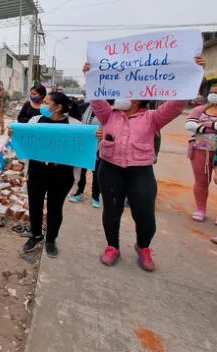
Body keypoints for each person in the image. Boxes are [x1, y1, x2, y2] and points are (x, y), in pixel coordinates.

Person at [83, 56, 206, 272]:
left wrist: (195, 74)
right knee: (111, 212)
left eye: (128, 92)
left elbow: (176, 105)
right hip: (110, 169)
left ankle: (143, 247)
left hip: (140, 173)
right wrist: (89, 75)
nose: (121, 95)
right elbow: (95, 98)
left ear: (140, 98)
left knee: (145, 215)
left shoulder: (153, 118)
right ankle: (112, 246)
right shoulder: (108, 114)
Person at [10, 92, 83, 257]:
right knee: (35, 205)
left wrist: (95, 137)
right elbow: (25, 141)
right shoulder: (35, 121)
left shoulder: (75, 125)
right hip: (37, 170)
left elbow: (81, 148)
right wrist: (14, 135)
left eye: (46, 102)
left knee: (55, 207)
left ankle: (50, 239)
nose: (42, 104)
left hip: (62, 174)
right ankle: (35, 235)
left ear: (58, 107)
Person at [68, 100, 111, 208]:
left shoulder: (109, 109)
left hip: (99, 146)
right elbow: (75, 121)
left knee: (97, 172)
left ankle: (96, 196)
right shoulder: (84, 107)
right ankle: (79, 192)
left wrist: (104, 134)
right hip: (83, 145)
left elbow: (113, 127)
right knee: (81, 171)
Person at [185, 83, 217, 222]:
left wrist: (206, 125)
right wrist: (209, 128)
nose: (213, 95)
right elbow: (190, 125)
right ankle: (200, 209)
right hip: (200, 150)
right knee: (201, 181)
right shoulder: (200, 109)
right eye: (212, 92)